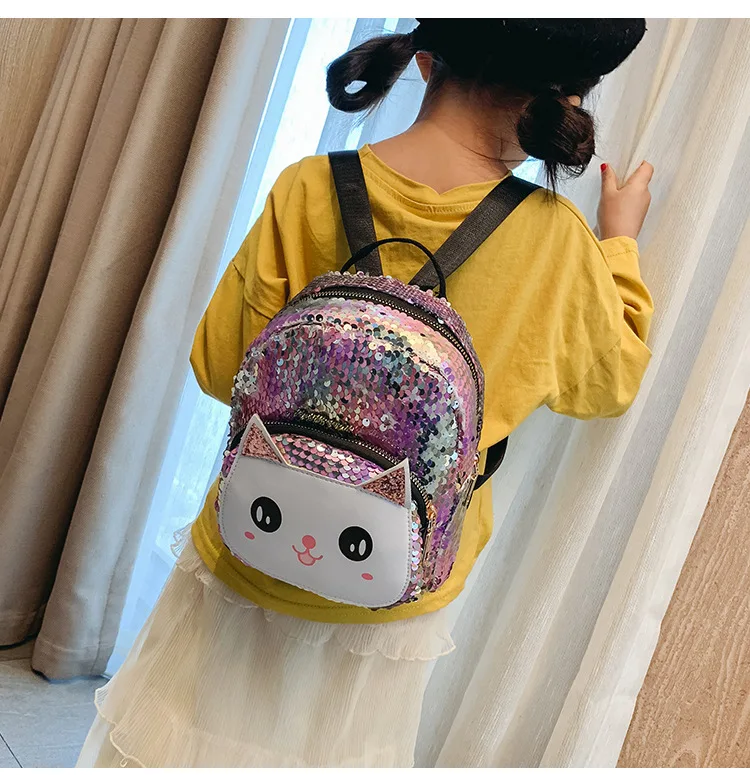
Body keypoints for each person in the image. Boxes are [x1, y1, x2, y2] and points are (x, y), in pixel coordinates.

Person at [77, 18, 654, 768]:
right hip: (394, 584)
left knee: (179, 737)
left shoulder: (307, 188)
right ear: (562, 103)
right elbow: (611, 383)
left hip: (252, 541)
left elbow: (220, 368)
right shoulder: (559, 242)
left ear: (425, 63)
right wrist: (620, 243)